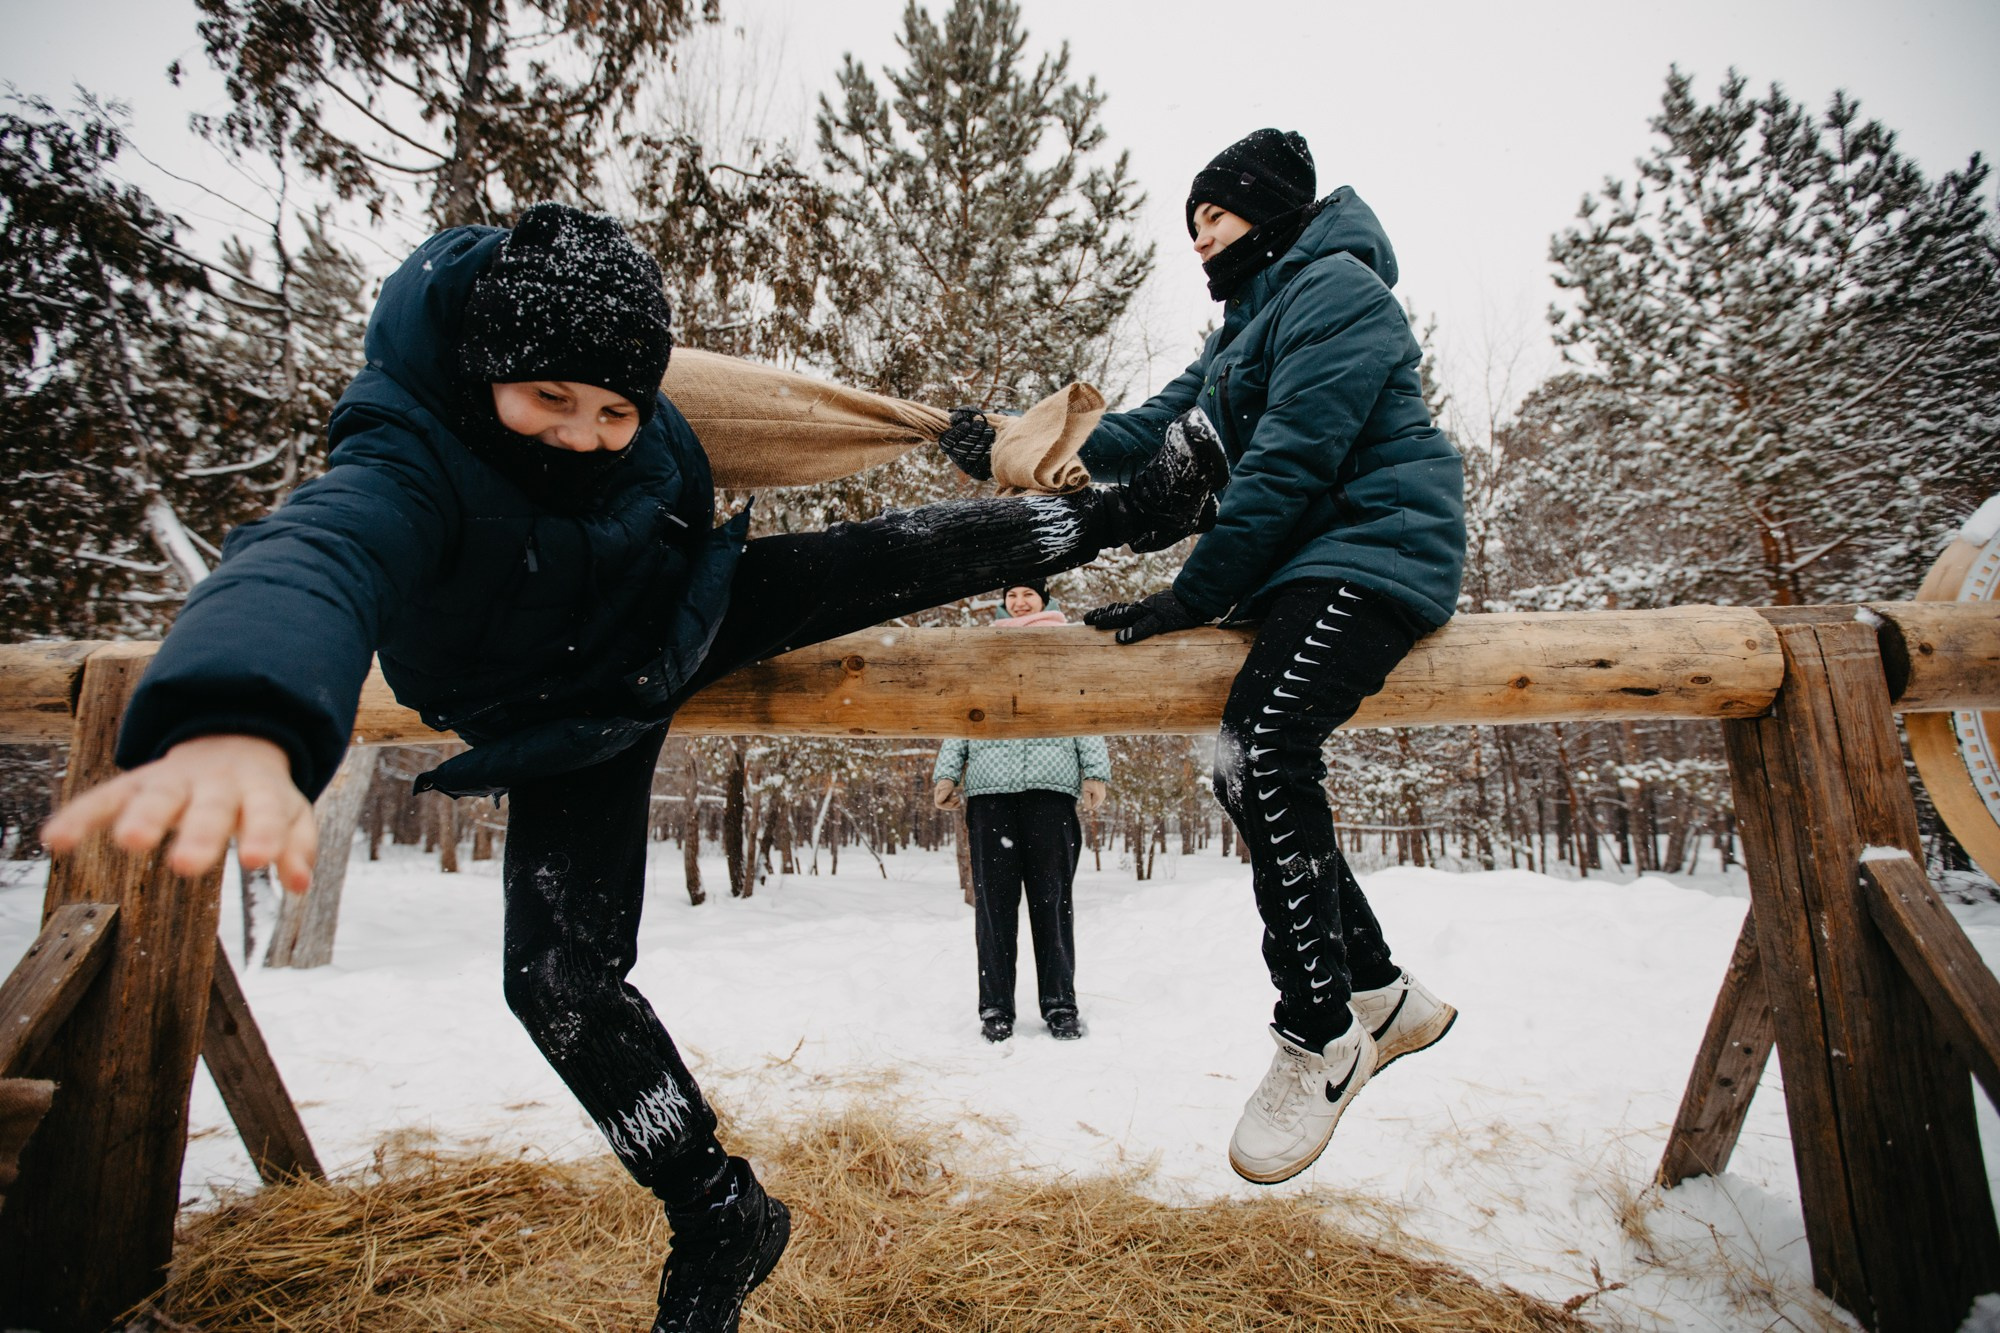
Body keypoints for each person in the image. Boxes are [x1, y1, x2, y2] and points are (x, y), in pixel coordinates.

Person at [40, 204, 1228, 1332]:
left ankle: (1130, 512)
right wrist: (238, 712)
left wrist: (954, 434)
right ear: (481, 369)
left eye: (613, 411)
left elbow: (771, 416)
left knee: (876, 558)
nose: (583, 433)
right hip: (562, 709)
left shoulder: (659, 410)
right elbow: (317, 554)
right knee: (554, 981)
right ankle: (718, 1211)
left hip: (667, 617)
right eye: (546, 398)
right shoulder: (408, 449)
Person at [943, 130, 1468, 1186]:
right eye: (1191, 228)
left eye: (1213, 222)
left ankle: (1320, 1031)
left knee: (1259, 749)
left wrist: (1192, 592)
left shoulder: (1336, 293)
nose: (1199, 244)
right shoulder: (1246, 324)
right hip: (1308, 564)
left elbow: (1288, 465)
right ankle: (1377, 988)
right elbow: (1143, 428)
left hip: (1378, 546)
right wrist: (1015, 444)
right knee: (1246, 766)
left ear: (1267, 213)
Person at [932, 579, 1111, 1043]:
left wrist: (1095, 772)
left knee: (1052, 907)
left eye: (1028, 594)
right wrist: (947, 773)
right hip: (991, 795)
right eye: (1012, 595)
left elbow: (1084, 708)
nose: (1019, 601)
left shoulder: (1063, 647)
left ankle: (1060, 1006)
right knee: (994, 908)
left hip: (1050, 793)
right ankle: (995, 1008)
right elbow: (963, 713)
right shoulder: (986, 650)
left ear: (1045, 600)